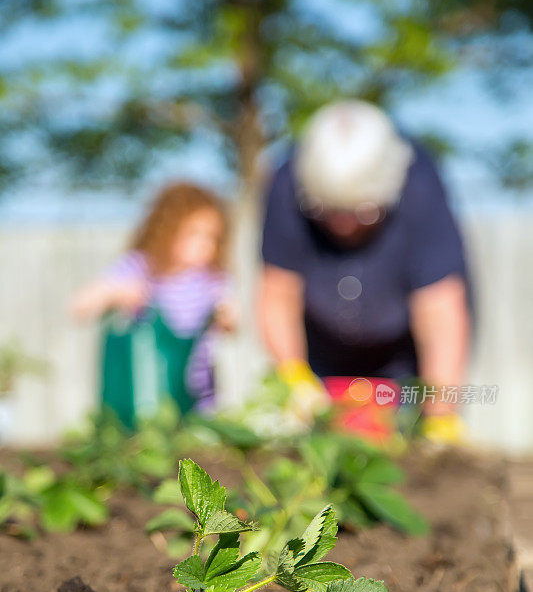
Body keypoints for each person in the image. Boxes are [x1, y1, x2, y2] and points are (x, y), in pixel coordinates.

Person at [259, 100, 471, 442]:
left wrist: (441, 417)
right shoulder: (286, 182)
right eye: (327, 211)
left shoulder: (419, 185)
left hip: (404, 363)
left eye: (362, 213)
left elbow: (440, 310)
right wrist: (293, 377)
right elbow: (278, 293)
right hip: (321, 361)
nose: (343, 226)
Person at [72, 182, 236, 413]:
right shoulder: (142, 268)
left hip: (198, 396)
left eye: (212, 237)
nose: (204, 244)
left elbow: (233, 319)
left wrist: (227, 317)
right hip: (145, 396)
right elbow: (80, 304)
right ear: (167, 228)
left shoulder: (212, 280)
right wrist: (118, 292)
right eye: (193, 234)